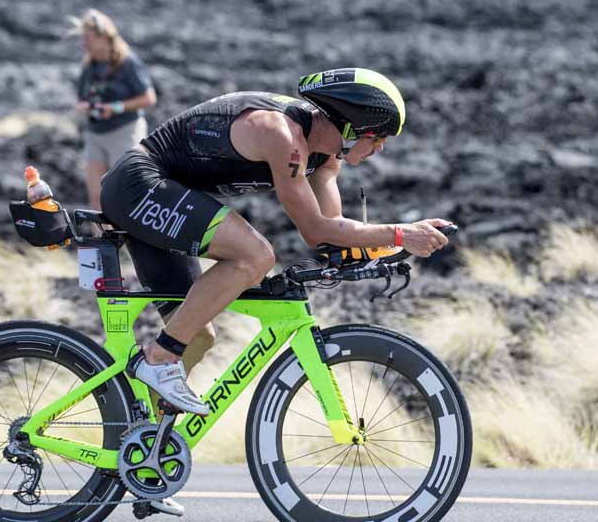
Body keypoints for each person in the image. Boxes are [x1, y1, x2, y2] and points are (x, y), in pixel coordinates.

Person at [101, 68, 453, 422]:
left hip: (164, 195)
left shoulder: (325, 155)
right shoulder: (281, 136)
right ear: (350, 126)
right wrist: (399, 233)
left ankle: (144, 442)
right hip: (138, 185)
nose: (380, 148)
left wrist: (366, 253)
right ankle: (159, 359)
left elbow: (332, 232)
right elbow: (316, 230)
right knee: (255, 256)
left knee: (197, 337)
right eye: (378, 137)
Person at [70, 9, 156, 211]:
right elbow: (82, 97)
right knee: (97, 197)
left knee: (125, 193)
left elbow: (149, 98)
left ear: (103, 37)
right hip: (95, 135)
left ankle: (133, 241)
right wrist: (86, 106)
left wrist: (115, 108)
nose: (84, 44)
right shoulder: (89, 65)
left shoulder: (127, 63)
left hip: (124, 132)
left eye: (88, 38)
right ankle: (102, 242)